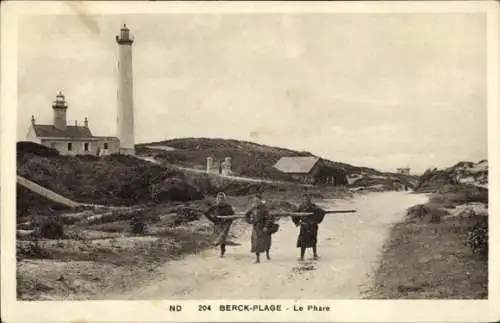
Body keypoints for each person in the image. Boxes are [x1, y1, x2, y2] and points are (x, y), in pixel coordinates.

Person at [292, 194, 326, 261]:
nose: (305, 201)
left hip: (312, 226)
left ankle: (315, 254)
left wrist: (316, 220)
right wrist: (297, 222)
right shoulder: (301, 207)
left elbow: (321, 212)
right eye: (304, 199)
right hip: (304, 226)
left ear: (309, 200)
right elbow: (295, 214)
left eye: (307, 200)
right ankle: (302, 256)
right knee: (303, 241)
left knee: (313, 241)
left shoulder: (313, 207)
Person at [204, 192, 236, 258]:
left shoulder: (228, 206)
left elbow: (233, 215)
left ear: (224, 199)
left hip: (226, 223)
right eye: (218, 198)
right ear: (216, 199)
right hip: (218, 223)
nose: (220, 199)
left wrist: (228, 220)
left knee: (223, 235)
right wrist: (212, 219)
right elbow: (206, 213)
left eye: (221, 198)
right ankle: (222, 248)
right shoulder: (214, 207)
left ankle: (222, 251)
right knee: (221, 236)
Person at [245, 193, 275, 263]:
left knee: (267, 241)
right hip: (256, 228)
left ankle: (267, 253)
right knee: (256, 243)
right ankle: (257, 259)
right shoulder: (252, 208)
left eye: (257, 200)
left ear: (260, 200)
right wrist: (250, 221)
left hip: (264, 227)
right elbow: (246, 215)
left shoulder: (264, 208)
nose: (256, 202)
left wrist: (266, 226)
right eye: (254, 200)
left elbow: (269, 218)